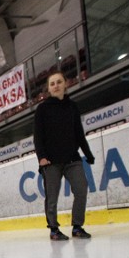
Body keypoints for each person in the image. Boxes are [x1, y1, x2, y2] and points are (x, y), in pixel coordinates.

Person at [33, 71, 95, 241]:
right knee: (52, 196)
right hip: (51, 161)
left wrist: (87, 154)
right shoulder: (42, 109)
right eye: (52, 83)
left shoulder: (72, 107)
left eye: (59, 82)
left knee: (81, 190)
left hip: (72, 159)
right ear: (48, 88)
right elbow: (38, 137)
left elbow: (79, 134)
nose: (56, 85)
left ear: (65, 84)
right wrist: (42, 158)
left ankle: (77, 226)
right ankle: (54, 229)